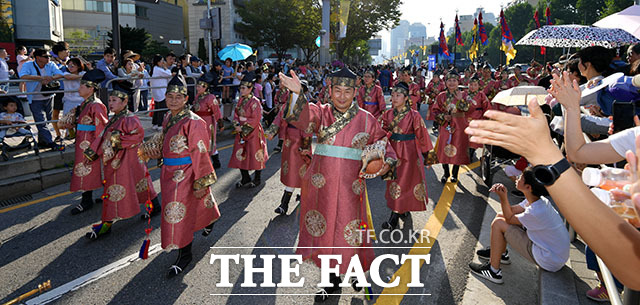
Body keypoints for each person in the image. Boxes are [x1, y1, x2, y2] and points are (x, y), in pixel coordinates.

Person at [464, 73, 640, 290]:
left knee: (501, 221)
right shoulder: (635, 136)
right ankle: (499, 250)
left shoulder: (536, 207)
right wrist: (571, 109)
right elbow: (578, 152)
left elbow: (634, 271)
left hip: (552, 257)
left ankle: (494, 267)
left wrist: (543, 153)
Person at [278, 68, 397, 302]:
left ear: (355, 92)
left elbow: (383, 144)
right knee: (326, 232)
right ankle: (331, 281)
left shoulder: (366, 119)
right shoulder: (320, 113)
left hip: (351, 187)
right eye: (337, 91)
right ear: (330, 91)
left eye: (348, 91)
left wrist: (385, 162)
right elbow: (301, 118)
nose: (342, 96)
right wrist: (296, 94)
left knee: (348, 230)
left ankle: (352, 268)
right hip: (321, 185)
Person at [139, 72, 220, 278]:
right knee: (184, 208)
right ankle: (208, 218)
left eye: (178, 97)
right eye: (170, 97)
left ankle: (185, 254)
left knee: (178, 212)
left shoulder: (194, 122)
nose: (173, 100)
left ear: (186, 99)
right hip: (168, 172)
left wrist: (202, 181)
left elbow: (201, 153)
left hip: (186, 173)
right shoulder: (168, 117)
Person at [82, 83, 160, 240]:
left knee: (117, 187)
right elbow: (104, 135)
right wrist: (94, 151)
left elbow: (137, 135)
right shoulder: (116, 118)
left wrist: (115, 140)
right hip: (118, 159)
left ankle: (106, 223)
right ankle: (155, 205)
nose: (110, 103)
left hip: (127, 159)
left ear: (125, 102)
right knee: (138, 182)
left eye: (114, 100)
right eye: (110, 100)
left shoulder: (130, 118)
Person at [469, 168, 570, 284]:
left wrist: (503, 197)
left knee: (498, 224)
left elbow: (509, 218)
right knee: (499, 216)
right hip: (555, 254)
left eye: (521, 177)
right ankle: (500, 254)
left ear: (528, 187)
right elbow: (511, 211)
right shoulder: (538, 200)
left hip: (549, 259)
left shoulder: (536, 211)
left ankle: (493, 271)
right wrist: (503, 193)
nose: (517, 177)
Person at [379, 82, 432, 230]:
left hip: (409, 154)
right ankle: (402, 209)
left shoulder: (413, 115)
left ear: (406, 98)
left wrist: (428, 157)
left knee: (403, 183)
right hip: (392, 153)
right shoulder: (388, 114)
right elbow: (381, 132)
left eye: (399, 95)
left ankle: (393, 219)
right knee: (394, 183)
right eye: (393, 95)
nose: (395, 98)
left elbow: (423, 136)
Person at [58, 69, 108, 215]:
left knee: (88, 170)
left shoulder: (96, 105)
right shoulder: (86, 103)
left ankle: (87, 201)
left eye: (82, 86)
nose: (78, 88)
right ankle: (97, 196)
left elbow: (101, 128)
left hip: (90, 143)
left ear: (91, 88)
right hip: (83, 141)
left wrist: (95, 147)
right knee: (88, 171)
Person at [265, 80, 313, 216]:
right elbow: (278, 119)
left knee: (300, 170)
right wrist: (271, 132)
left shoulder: (305, 106)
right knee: (292, 170)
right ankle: (302, 195)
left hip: (300, 141)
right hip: (288, 142)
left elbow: (308, 127)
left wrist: (305, 145)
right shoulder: (287, 105)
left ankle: (284, 203)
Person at [19, 48, 64, 150]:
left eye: (49, 56)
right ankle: (50, 142)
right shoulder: (28, 65)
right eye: (46, 56)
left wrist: (51, 78)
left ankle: (43, 141)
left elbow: (59, 73)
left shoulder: (50, 64)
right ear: (38, 57)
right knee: (40, 121)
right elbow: (23, 76)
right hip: (35, 98)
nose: (48, 58)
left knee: (48, 120)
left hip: (49, 96)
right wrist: (40, 78)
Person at [228, 75, 268, 188]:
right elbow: (236, 114)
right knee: (240, 154)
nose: (241, 90)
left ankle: (257, 178)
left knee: (255, 154)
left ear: (250, 89)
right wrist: (236, 124)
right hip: (241, 132)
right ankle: (245, 177)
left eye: (244, 88)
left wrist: (243, 127)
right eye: (240, 88)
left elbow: (256, 118)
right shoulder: (240, 100)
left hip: (253, 132)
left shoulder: (255, 102)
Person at [432, 71, 471, 183]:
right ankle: (446, 173)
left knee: (458, 148)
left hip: (460, 125)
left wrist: (460, 100)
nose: (452, 83)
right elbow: (435, 111)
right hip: (446, 125)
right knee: (444, 148)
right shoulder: (441, 96)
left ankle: (454, 173)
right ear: (445, 82)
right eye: (449, 80)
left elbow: (467, 109)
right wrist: (443, 116)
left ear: (458, 82)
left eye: (454, 80)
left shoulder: (463, 94)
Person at [193, 74, 223, 169]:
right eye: (197, 86)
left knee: (209, 141)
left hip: (208, 122)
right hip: (198, 122)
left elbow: (216, 111)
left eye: (199, 86)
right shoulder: (198, 96)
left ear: (205, 87)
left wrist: (220, 122)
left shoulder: (210, 97)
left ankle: (215, 162)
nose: (197, 88)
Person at [464, 76, 491, 157]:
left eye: (475, 85)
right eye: (471, 85)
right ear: (468, 85)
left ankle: (471, 152)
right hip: (465, 118)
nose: (472, 87)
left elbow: (486, 106)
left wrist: (487, 117)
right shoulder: (464, 94)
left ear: (478, 86)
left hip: (477, 117)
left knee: (474, 137)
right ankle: (467, 151)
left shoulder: (481, 94)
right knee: (465, 137)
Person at [150, 54, 171, 130]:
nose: (163, 62)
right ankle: (159, 124)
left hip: (157, 91)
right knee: (162, 108)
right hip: (160, 91)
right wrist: (166, 68)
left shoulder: (155, 69)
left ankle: (155, 123)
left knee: (157, 107)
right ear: (158, 62)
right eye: (162, 61)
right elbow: (168, 74)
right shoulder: (158, 69)